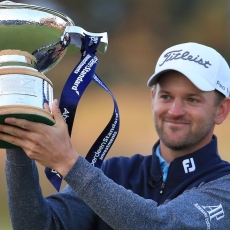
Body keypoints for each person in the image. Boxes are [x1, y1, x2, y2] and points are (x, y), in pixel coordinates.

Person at [3, 42, 230, 230]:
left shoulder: (224, 186)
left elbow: (160, 225)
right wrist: (18, 136)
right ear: (153, 98)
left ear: (221, 110)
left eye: (192, 99)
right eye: (167, 97)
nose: (175, 111)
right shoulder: (114, 173)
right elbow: (39, 226)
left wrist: (68, 162)